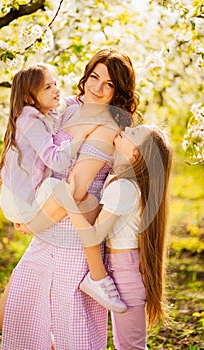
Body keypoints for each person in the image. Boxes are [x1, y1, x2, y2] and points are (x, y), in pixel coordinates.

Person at [0, 48, 140, 350]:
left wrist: (33, 223)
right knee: (11, 316)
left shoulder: (108, 127)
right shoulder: (68, 105)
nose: (97, 88)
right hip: (48, 228)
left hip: (73, 237)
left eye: (109, 84)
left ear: (119, 91)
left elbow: (75, 188)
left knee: (72, 337)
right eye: (94, 77)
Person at [53, 124, 172, 349]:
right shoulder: (120, 180)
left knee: (130, 346)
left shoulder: (124, 188)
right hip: (121, 266)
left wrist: (68, 204)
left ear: (135, 155)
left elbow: (94, 235)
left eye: (133, 133)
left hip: (126, 272)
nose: (127, 128)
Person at [0, 63, 96, 225]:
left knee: (71, 192)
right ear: (28, 98)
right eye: (48, 87)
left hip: (17, 198)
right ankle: (87, 229)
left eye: (55, 84)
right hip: (19, 202)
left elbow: (63, 105)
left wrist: (86, 98)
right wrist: (80, 135)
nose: (56, 90)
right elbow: (57, 162)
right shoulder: (30, 123)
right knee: (69, 189)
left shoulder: (42, 113)